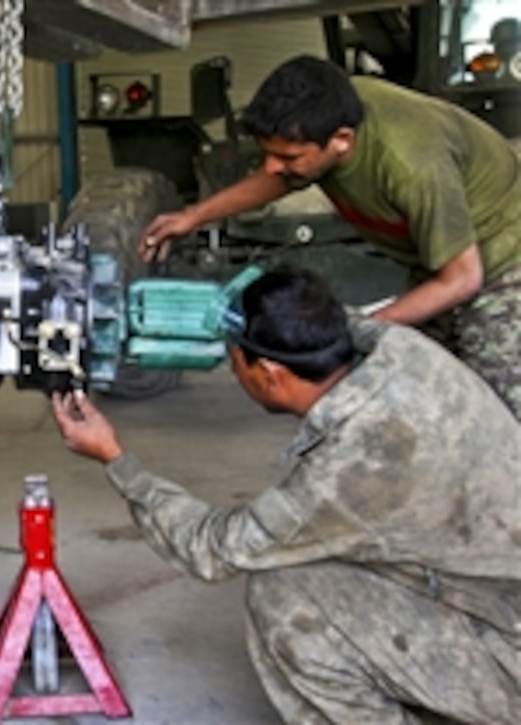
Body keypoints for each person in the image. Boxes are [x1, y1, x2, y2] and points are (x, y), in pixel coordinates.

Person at [51, 264, 521, 722]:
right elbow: (337, 318)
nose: (232, 371)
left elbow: (212, 549)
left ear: (272, 374)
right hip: (491, 585)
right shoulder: (401, 348)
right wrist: (215, 308)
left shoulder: (350, 467)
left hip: (509, 649)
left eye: (235, 362)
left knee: (285, 596)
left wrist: (116, 459)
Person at [138, 55, 521, 418]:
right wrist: (195, 216)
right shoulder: (327, 114)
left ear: (341, 140)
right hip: (436, 256)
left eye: (288, 158)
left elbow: (461, 279)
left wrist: (358, 326)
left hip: (503, 258)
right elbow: (280, 177)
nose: (273, 167)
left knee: (499, 405)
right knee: (410, 387)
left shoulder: (413, 166)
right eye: (268, 153)